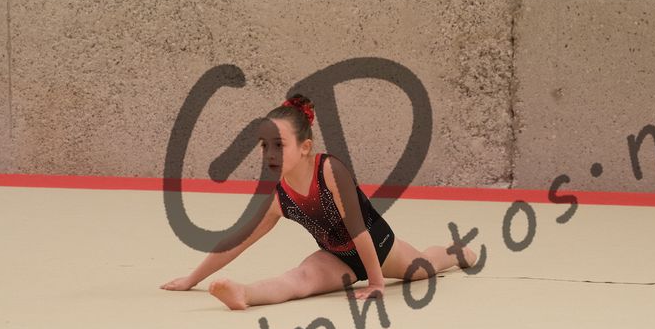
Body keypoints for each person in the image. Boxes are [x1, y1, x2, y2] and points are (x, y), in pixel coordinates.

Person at [160, 95, 476, 310]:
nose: (270, 153)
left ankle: (455, 252)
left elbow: (359, 229)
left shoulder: (330, 172)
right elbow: (237, 241)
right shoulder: (278, 197)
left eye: (279, 145)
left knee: (423, 267)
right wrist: (192, 279)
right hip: (336, 257)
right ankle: (244, 293)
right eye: (264, 146)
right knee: (299, 280)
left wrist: (377, 283)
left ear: (305, 147)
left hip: (378, 247)